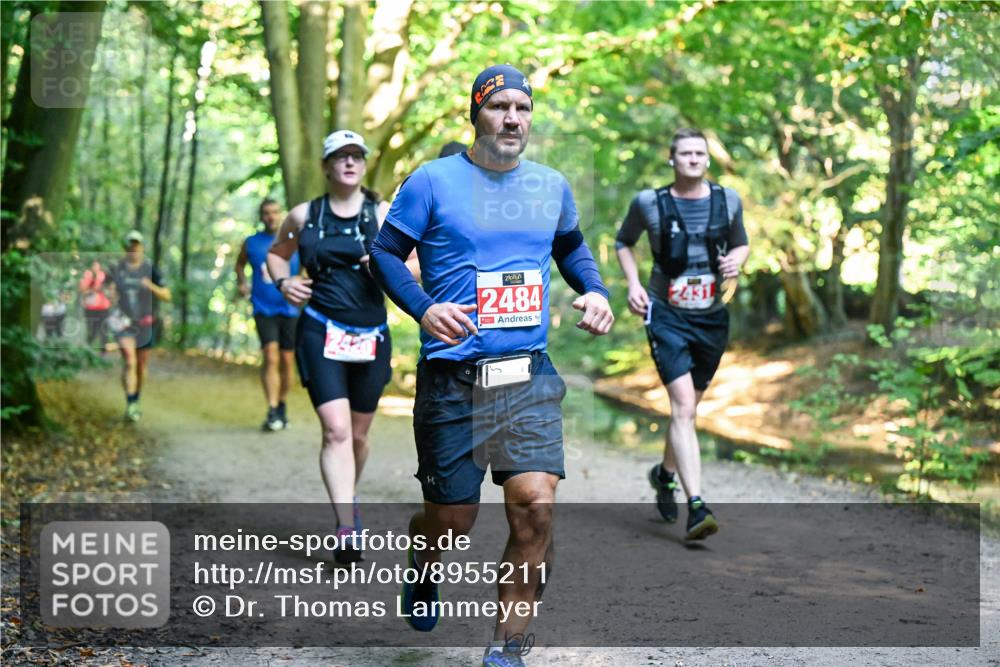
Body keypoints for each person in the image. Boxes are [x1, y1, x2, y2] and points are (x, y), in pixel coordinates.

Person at [370, 65, 613, 667]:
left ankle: (509, 647)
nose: (512, 118)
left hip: (526, 373)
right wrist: (424, 310)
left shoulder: (549, 185)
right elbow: (384, 253)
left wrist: (595, 289)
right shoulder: (432, 181)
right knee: (451, 521)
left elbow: (571, 245)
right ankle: (423, 561)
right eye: (499, 106)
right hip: (453, 380)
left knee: (535, 506)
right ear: (475, 113)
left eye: (522, 108)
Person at [268, 130, 413, 564]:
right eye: (340, 156)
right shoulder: (304, 216)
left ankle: (347, 499)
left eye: (357, 156)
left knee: (359, 436)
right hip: (319, 330)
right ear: (326, 166)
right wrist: (284, 281)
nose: (349, 162)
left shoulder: (383, 214)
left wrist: (388, 266)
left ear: (364, 165)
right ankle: (346, 525)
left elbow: (418, 268)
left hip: (371, 335)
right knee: (336, 430)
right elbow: (277, 254)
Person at [615, 127, 750, 540]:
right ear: (672, 160)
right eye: (685, 153)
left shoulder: (728, 200)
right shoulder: (649, 204)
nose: (693, 159)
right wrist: (634, 285)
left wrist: (737, 262)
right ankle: (697, 507)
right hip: (666, 315)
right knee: (683, 406)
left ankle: (664, 475)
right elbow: (624, 242)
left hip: (711, 317)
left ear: (707, 160)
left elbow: (741, 244)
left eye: (699, 153)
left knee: (688, 411)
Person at [236, 199, 301, 431]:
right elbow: (239, 265)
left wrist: (301, 283)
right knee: (271, 357)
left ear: (280, 214)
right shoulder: (251, 243)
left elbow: (308, 268)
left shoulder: (294, 240)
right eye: (266, 213)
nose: (271, 217)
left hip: (290, 309)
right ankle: (272, 409)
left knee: (286, 360)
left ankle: (282, 404)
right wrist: (242, 283)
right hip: (263, 308)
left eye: (274, 212)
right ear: (261, 216)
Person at [110, 230, 171, 422]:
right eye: (130, 246)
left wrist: (150, 286)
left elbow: (167, 295)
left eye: (136, 246)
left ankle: (135, 399)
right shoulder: (118, 269)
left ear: (142, 247)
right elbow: (107, 294)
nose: (133, 249)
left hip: (146, 323)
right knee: (129, 360)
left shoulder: (150, 269)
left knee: (140, 366)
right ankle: (130, 404)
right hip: (124, 323)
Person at [78, 260, 112, 349]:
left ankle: (103, 351)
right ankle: (87, 348)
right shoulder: (86, 276)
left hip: (103, 308)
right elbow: (82, 290)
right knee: (92, 331)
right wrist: (93, 290)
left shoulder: (105, 276)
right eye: (93, 265)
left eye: (97, 265)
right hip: (90, 309)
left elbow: (111, 287)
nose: (95, 267)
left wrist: (106, 290)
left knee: (104, 330)